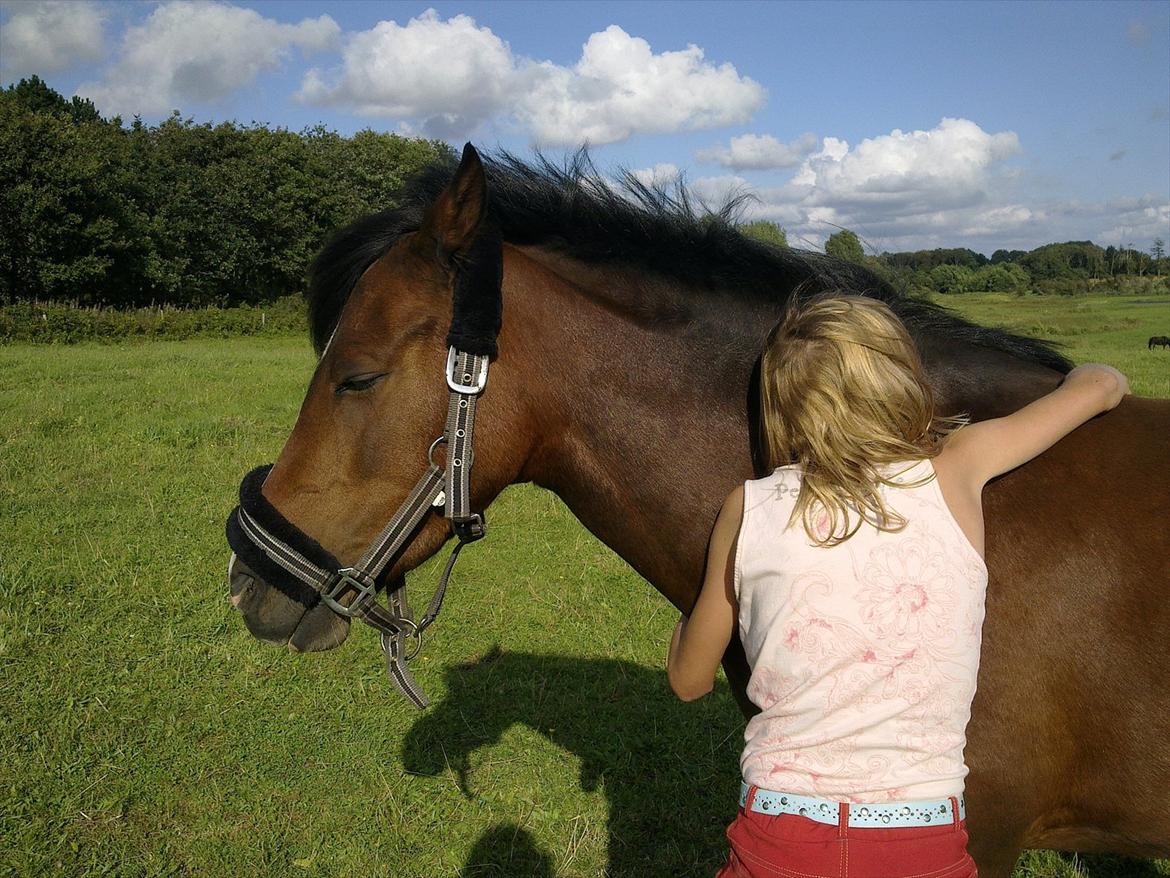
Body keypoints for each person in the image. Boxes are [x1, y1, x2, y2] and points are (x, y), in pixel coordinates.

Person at [666, 294, 1128, 877]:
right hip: (919, 835)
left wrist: (708, 595)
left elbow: (688, 681)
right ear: (903, 381)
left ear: (782, 405)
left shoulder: (749, 507)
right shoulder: (959, 466)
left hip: (781, 831)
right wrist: (1093, 375)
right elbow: (1101, 387)